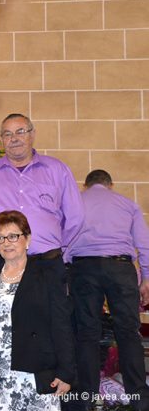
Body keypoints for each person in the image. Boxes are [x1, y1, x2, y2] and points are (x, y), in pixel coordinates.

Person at [0, 210, 75, 411]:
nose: (7, 242)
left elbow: (61, 324)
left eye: (13, 236)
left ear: (27, 239)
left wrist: (66, 371)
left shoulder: (47, 275)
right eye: (1, 238)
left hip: (37, 374)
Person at [66, 169, 149, 411]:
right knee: (128, 333)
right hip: (121, 268)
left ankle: (86, 398)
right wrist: (146, 277)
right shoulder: (128, 204)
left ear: (85, 185)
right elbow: (144, 245)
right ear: (110, 185)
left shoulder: (76, 202)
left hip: (84, 268)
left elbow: (65, 239)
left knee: (86, 334)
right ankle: (140, 399)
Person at [0, 113, 84, 281]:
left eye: (20, 132)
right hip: (1, 263)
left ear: (32, 134)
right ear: (2, 139)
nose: (14, 138)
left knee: (50, 308)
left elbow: (75, 217)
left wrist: (55, 246)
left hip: (46, 264)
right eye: (7, 134)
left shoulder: (57, 169)